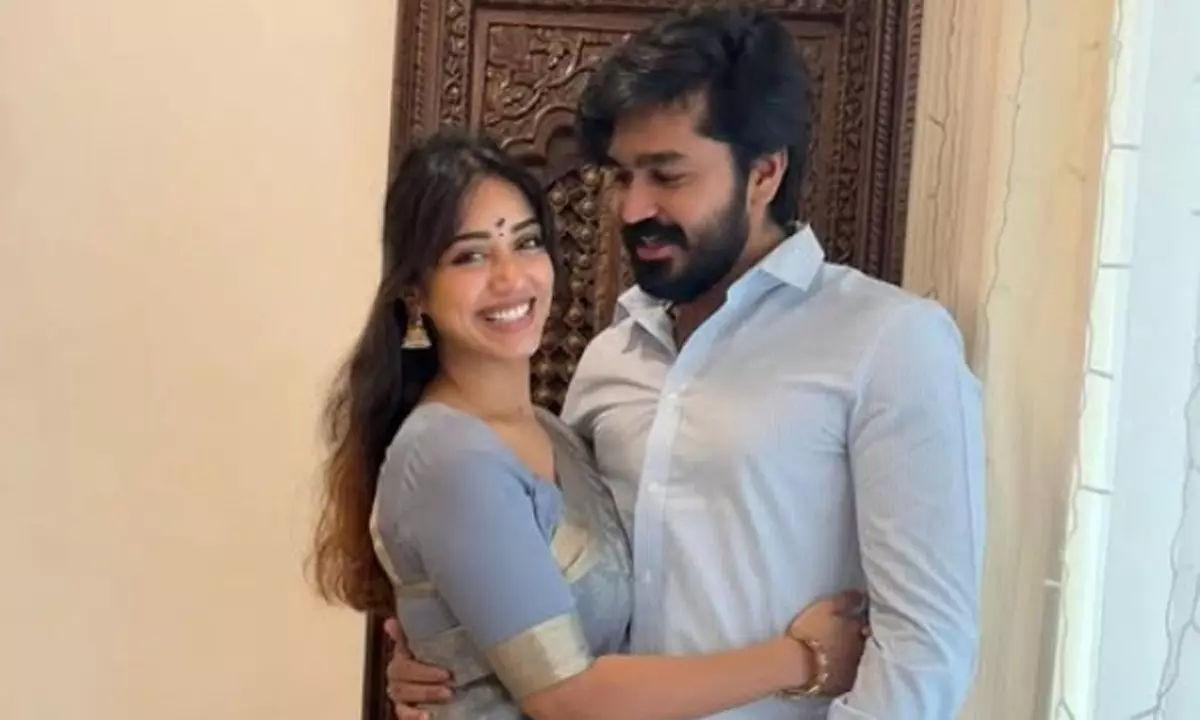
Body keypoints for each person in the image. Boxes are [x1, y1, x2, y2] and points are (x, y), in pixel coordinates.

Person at [385, 5, 986, 720]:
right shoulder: (611, 359)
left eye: (667, 175)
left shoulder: (889, 344)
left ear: (763, 173)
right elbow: (557, 588)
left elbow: (925, 647)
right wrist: (453, 657)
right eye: (623, 175)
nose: (632, 207)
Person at [310, 128, 869, 720]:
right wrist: (803, 659)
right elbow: (566, 697)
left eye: (526, 243)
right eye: (470, 255)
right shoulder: (447, 456)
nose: (510, 278)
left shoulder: (554, 434)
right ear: (416, 293)